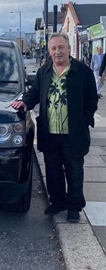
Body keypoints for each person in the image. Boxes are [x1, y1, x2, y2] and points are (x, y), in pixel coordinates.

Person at [12, 33, 98, 223]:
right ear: (50, 51)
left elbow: (92, 98)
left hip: (73, 133)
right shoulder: (45, 71)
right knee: (52, 170)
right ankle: (57, 202)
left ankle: (74, 207)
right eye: (54, 48)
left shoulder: (83, 71)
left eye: (61, 47)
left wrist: (84, 120)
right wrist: (24, 103)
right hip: (50, 131)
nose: (57, 52)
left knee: (74, 171)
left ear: (69, 49)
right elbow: (34, 92)